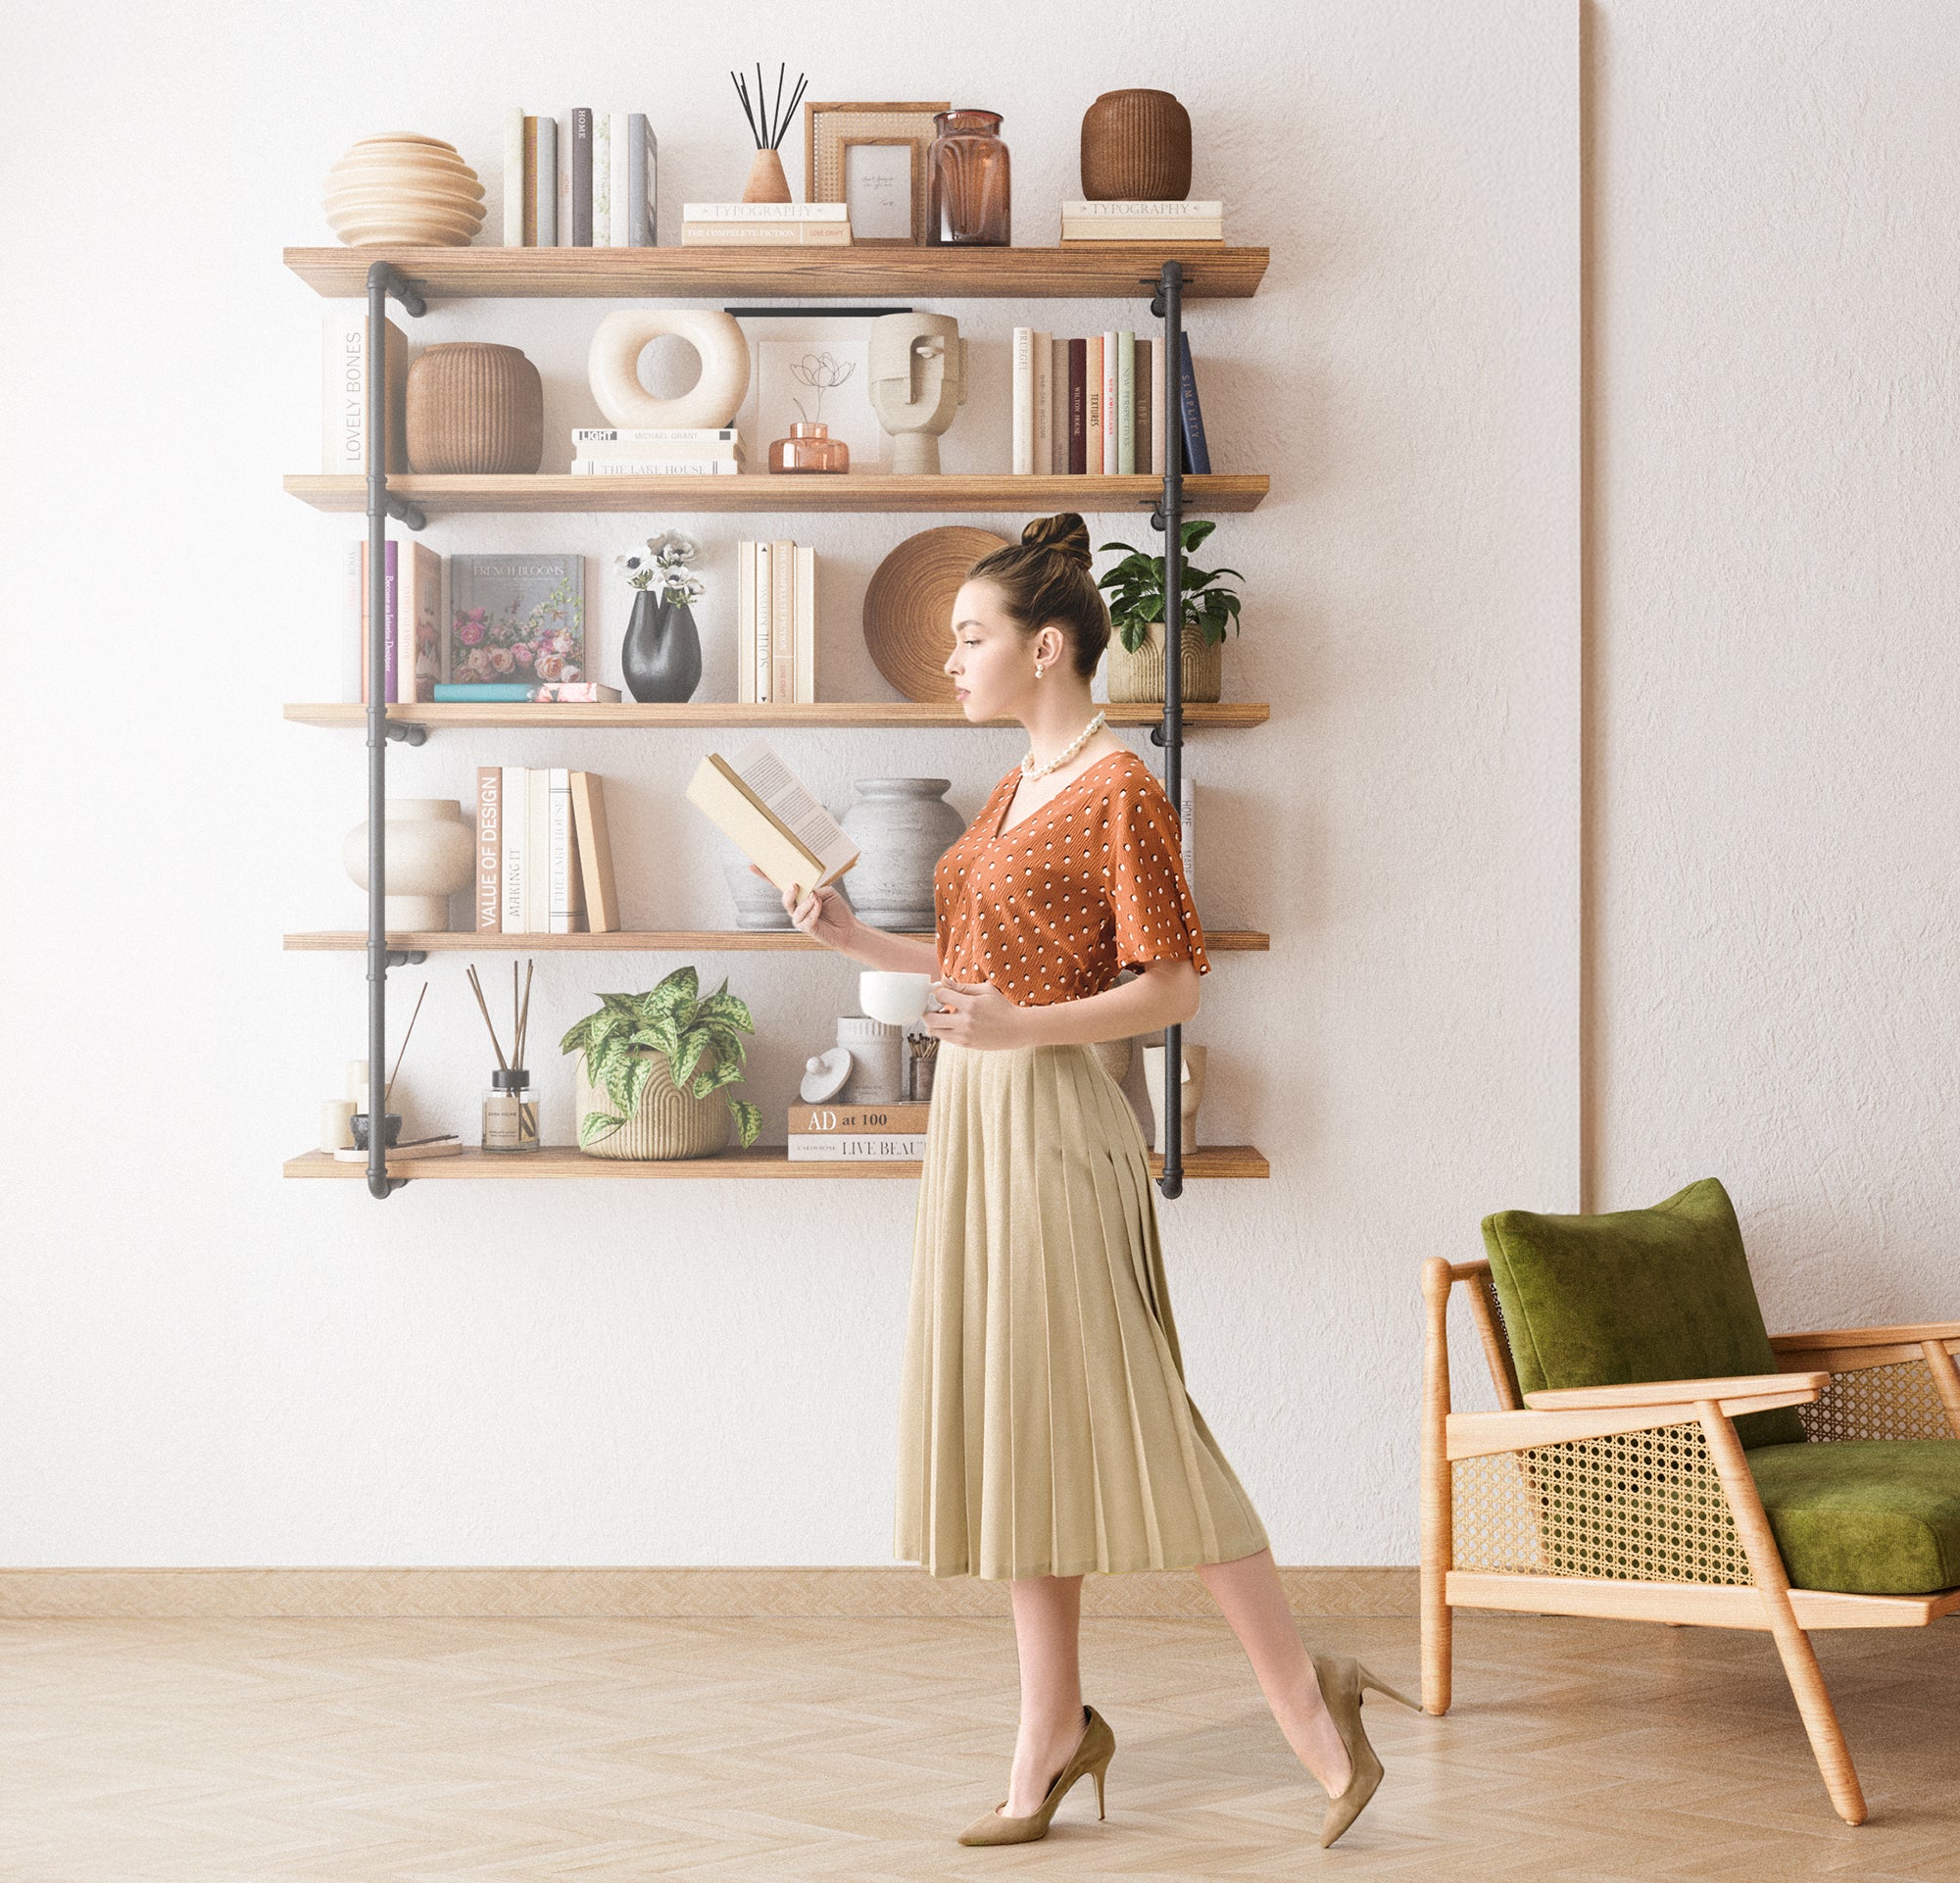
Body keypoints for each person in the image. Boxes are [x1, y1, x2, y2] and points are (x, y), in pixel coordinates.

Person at [769, 514, 1411, 1850]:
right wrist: (849, 936)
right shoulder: (1011, 789)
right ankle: (1050, 1728)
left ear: (1045, 646)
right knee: (1022, 1425)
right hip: (977, 1119)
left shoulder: (1122, 789)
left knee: (1140, 1418)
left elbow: (1170, 981)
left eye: (969, 638)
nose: (951, 661)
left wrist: (1022, 1032)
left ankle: (1309, 1699)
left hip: (1057, 1119)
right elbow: (971, 966)